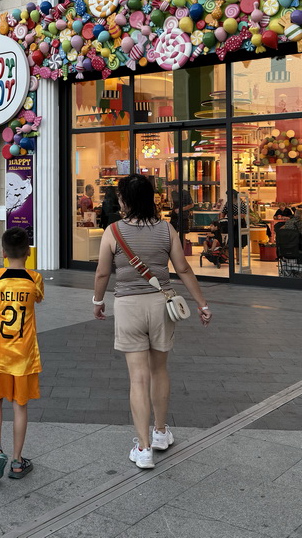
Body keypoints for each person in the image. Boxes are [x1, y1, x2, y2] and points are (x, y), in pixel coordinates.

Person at [92, 174, 211, 470]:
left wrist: (97, 302)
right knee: (159, 370)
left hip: (128, 306)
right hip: (161, 306)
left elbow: (102, 274)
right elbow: (182, 268)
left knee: (138, 377)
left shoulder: (113, 231)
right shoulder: (165, 229)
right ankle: (159, 433)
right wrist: (202, 303)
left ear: (125, 200)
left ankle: (143, 448)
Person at [0, 227, 43, 481]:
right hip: (24, 355)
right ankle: (17, 462)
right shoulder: (34, 279)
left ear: (3, 252)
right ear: (28, 252)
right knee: (20, 407)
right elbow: (38, 299)